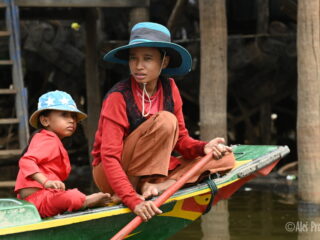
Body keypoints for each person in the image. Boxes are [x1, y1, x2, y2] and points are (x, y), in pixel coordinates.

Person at [92, 22, 235, 221]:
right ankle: (136, 189)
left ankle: (155, 186)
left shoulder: (170, 88)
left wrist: (204, 147)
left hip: (150, 173)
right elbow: (109, 157)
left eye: (148, 59)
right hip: (112, 174)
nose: (138, 66)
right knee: (166, 120)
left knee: (226, 159)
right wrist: (133, 201)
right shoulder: (118, 96)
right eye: (134, 58)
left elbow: (181, 141)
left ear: (164, 62)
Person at [15, 90, 111, 218]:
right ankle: (85, 201)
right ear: (45, 121)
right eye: (64, 115)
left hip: (42, 199)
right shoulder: (47, 139)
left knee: (68, 195)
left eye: (73, 116)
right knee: (73, 196)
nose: (71, 120)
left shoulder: (49, 139)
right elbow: (26, 161)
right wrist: (46, 182)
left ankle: (83, 200)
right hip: (37, 201)